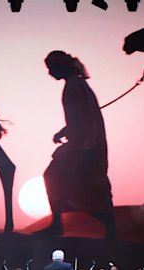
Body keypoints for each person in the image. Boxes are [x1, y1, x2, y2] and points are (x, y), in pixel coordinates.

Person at [37, 50, 115, 239]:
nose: (50, 73)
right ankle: (109, 229)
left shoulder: (73, 87)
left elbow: (82, 120)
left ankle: (57, 225)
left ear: (60, 67)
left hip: (85, 145)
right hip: (87, 143)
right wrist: (65, 131)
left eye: (51, 68)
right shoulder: (78, 84)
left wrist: (75, 140)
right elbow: (80, 117)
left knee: (54, 177)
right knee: (88, 186)